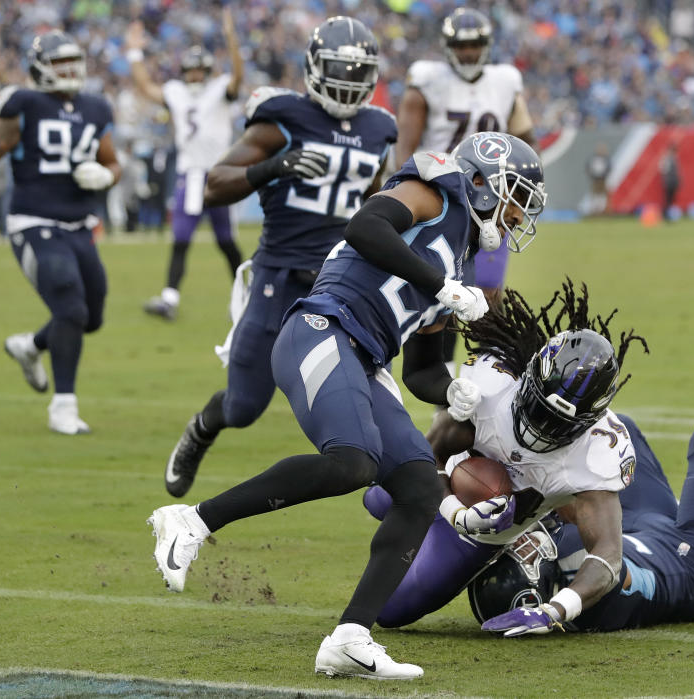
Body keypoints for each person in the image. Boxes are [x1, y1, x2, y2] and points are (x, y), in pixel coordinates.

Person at [146, 130, 548, 679]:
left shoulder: (466, 266)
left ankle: (350, 637)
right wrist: (440, 284)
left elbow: (423, 369)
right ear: (480, 181)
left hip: (367, 358)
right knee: (352, 461)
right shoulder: (435, 190)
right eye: (515, 198)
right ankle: (191, 520)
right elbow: (365, 227)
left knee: (418, 486)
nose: (517, 215)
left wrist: (455, 389)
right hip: (321, 326)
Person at [160, 16, 398, 498]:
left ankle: (401, 488)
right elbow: (213, 184)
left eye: (358, 72)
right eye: (339, 70)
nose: (349, 82)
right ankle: (202, 428)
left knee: (370, 397)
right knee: (244, 406)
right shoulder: (284, 117)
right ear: (314, 67)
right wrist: (275, 165)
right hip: (280, 274)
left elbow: (377, 199)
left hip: (343, 280)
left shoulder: (379, 128)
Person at [361, 283, 649, 630]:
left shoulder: (597, 450)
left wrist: (553, 611)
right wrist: (456, 513)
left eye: (560, 423)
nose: (542, 427)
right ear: (528, 376)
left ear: (590, 423)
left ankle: (528, 532)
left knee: (389, 611)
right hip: (445, 481)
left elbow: (608, 558)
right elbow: (431, 454)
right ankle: (449, 516)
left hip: (488, 534)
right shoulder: (492, 385)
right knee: (375, 497)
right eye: (541, 410)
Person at [471, 409, 694, 634]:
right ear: (541, 587)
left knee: (615, 428)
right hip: (692, 562)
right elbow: (607, 569)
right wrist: (558, 609)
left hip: (637, 527)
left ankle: (687, 504)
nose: (525, 543)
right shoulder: (587, 589)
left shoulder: (559, 566)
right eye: (527, 556)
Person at [0, 31, 121, 434]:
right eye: (59, 63)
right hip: (33, 222)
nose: (69, 70)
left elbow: (112, 162)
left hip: (80, 225)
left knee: (92, 317)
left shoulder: (95, 107)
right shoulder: (24, 104)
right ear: (39, 69)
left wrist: (105, 176)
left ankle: (30, 347)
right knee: (69, 306)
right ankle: (63, 407)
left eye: (73, 61)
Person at [394, 8, 538, 372]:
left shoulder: (505, 82)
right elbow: (403, 148)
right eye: (462, 46)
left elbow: (525, 140)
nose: (470, 53)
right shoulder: (426, 80)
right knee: (444, 294)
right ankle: (438, 380)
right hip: (441, 200)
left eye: (475, 45)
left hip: (490, 202)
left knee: (488, 297)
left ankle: (487, 375)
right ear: (447, 47)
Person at [125, 9, 245, 320]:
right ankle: (169, 298)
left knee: (226, 241)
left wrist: (232, 40)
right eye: (189, 71)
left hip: (219, 174)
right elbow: (145, 87)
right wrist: (134, 52)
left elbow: (237, 78)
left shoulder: (219, 89)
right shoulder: (176, 92)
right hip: (190, 174)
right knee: (180, 238)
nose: (193, 76)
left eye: (197, 71)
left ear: (205, 71)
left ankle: (247, 296)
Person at [660, 140, 681, 220]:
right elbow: (664, 170)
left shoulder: (674, 159)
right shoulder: (667, 159)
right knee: (667, 200)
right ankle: (666, 215)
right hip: (669, 182)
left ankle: (670, 215)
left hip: (673, 182)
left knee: (671, 200)